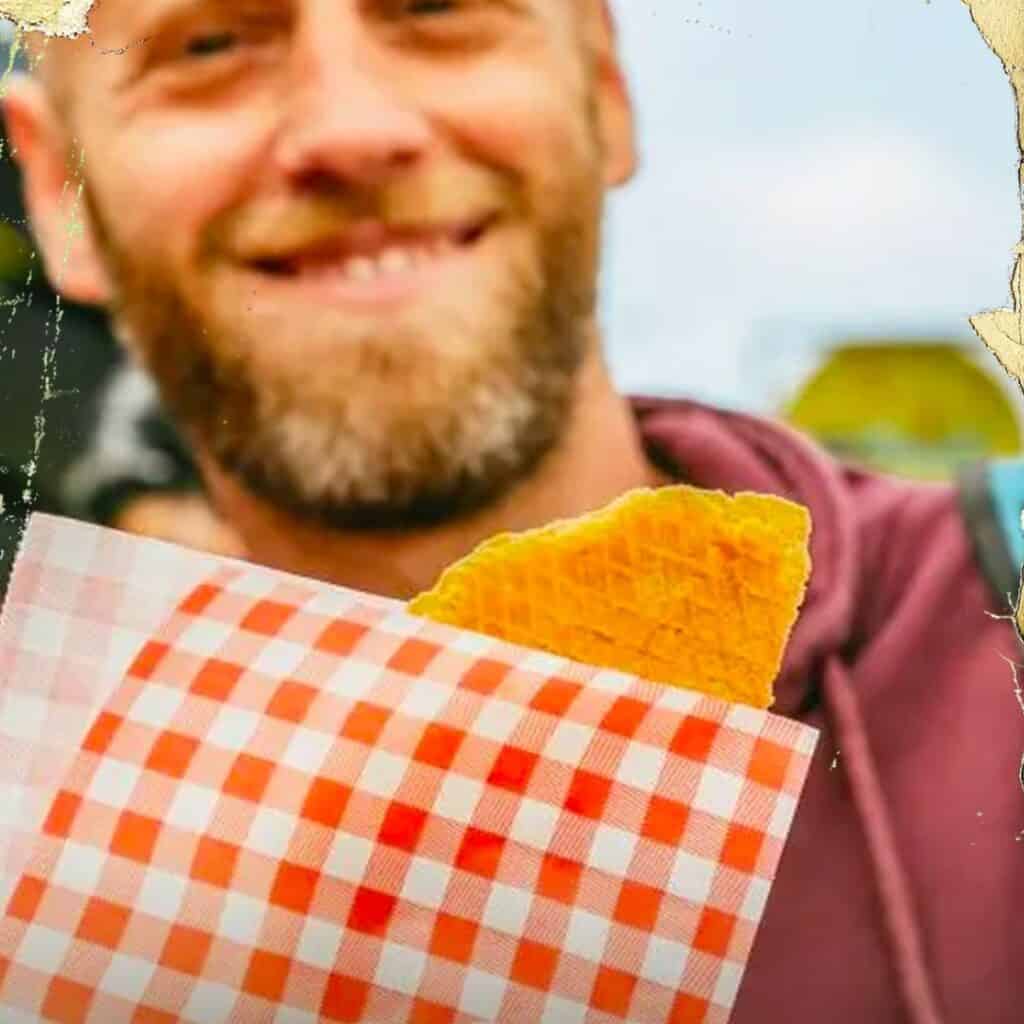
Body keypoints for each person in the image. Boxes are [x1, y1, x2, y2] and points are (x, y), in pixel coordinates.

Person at [4, 3, 1021, 1021]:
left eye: (440, 9)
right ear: (59, 190)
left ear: (604, 86)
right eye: (209, 45)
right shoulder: (38, 826)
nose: (352, 131)